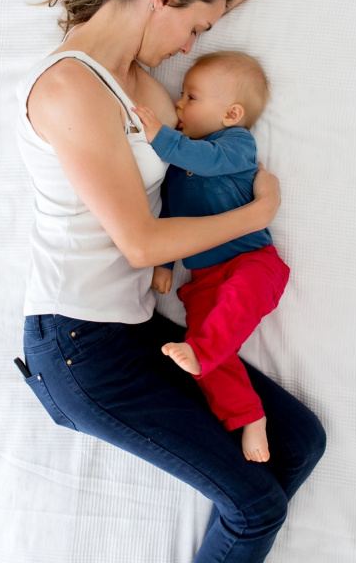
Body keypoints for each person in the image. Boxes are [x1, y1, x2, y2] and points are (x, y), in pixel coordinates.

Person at [16, 0, 326, 563]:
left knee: (300, 441)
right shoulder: (72, 86)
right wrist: (261, 209)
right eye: (195, 27)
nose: (193, 46)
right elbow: (139, 242)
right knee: (253, 508)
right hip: (80, 348)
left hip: (130, 332)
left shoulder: (138, 83)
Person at [132, 51, 290, 465]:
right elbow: (169, 215)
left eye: (192, 97)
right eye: (182, 95)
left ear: (231, 114)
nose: (179, 105)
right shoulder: (174, 169)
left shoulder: (236, 145)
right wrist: (164, 265)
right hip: (202, 279)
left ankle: (204, 353)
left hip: (252, 262)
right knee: (203, 350)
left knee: (227, 314)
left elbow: (206, 161)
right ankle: (248, 414)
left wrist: (162, 136)